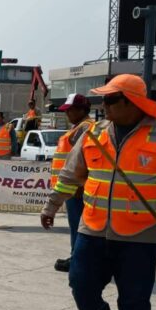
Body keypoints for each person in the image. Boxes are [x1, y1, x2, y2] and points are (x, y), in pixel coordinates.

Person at [40, 74, 156, 310]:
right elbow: (70, 175)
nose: (103, 105)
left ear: (132, 103)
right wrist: (51, 205)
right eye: (103, 99)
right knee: (79, 283)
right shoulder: (93, 134)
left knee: (134, 302)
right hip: (92, 230)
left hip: (139, 238)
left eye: (110, 99)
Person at [51, 94, 95, 272]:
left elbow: (84, 160)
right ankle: (77, 257)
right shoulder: (80, 128)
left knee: (79, 226)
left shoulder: (84, 129)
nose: (68, 113)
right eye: (67, 110)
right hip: (72, 187)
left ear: (82, 110)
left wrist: (80, 185)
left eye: (71, 110)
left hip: (76, 189)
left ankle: (78, 260)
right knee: (77, 225)